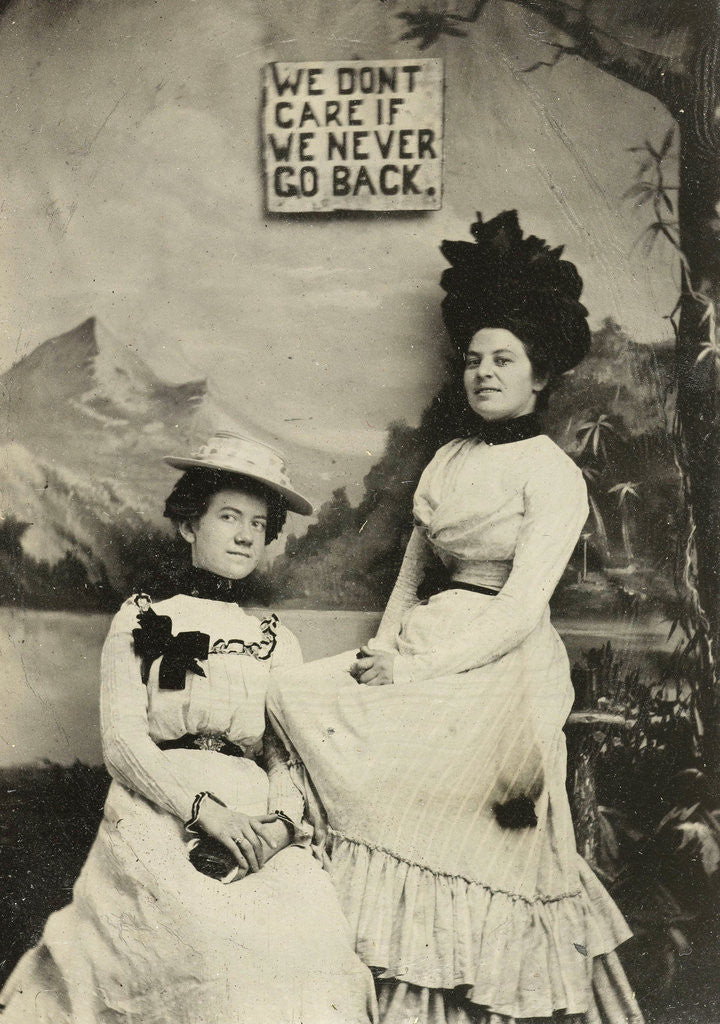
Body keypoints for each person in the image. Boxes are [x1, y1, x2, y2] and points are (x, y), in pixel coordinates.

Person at [267, 212, 644, 1024]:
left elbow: (516, 611)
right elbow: (409, 578)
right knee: (297, 698)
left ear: (540, 374)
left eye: (502, 359)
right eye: (473, 359)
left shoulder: (552, 475)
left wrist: (418, 670)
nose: (483, 373)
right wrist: (381, 655)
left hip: (502, 668)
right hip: (425, 640)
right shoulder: (450, 460)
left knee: (444, 810)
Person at [0, 431, 377, 1024]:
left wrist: (278, 826)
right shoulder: (143, 616)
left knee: (312, 941)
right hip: (160, 807)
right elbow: (123, 742)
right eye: (228, 516)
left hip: (257, 816)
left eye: (259, 522)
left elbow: (285, 755)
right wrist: (205, 812)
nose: (246, 533)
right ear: (188, 525)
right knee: (204, 946)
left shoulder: (275, 637)